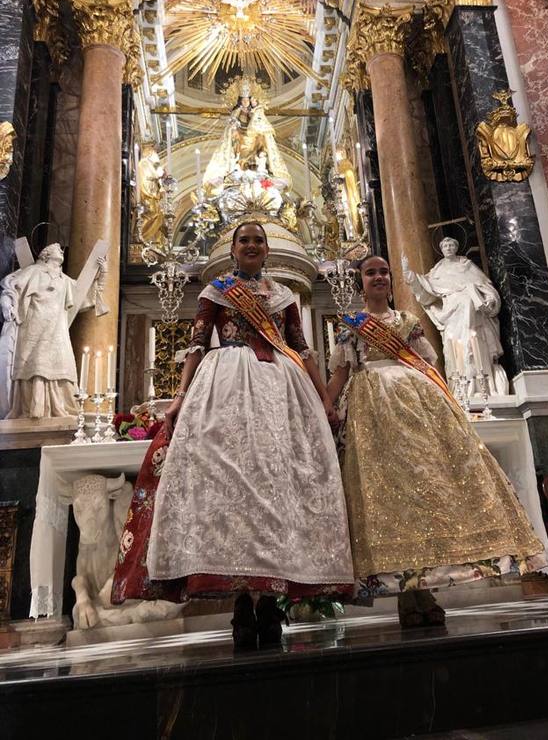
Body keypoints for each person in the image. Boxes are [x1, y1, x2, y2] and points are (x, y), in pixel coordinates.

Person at [113, 222, 353, 648]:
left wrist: (324, 398)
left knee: (276, 486)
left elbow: (301, 349)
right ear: (233, 250)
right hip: (224, 385)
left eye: (258, 240)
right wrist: (179, 396)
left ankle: (268, 599)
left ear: (266, 249)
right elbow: (195, 346)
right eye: (245, 240)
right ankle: (242, 600)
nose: (252, 246)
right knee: (233, 489)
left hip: (281, 388)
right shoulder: (216, 292)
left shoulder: (283, 296)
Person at [326, 254, 545, 628]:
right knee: (392, 500)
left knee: (426, 492)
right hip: (372, 417)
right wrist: (321, 408)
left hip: (418, 408)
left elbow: (428, 366)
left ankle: (422, 590)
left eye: (383, 272)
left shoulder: (408, 321)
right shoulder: (350, 327)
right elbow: (340, 376)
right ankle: (408, 594)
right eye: (370, 273)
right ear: (359, 281)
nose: (378, 277)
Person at [0, 243, 106, 419]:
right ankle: (31, 407)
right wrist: (6, 302)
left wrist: (102, 275)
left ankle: (58, 407)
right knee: (34, 363)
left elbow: (85, 297)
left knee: (61, 362)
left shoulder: (63, 279)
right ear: (45, 255)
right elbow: (11, 285)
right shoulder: (33, 271)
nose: (62, 251)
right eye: (57, 248)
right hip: (34, 325)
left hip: (56, 329)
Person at [403, 237, 509, 396]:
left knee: (474, 346)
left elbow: (486, 286)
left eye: (451, 244)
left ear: (456, 247)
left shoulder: (466, 266)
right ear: (441, 249)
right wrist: (409, 274)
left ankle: (483, 386)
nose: (448, 247)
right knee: (456, 350)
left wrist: (490, 299)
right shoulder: (437, 271)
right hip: (452, 315)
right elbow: (426, 292)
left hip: (473, 315)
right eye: (445, 245)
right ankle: (462, 388)